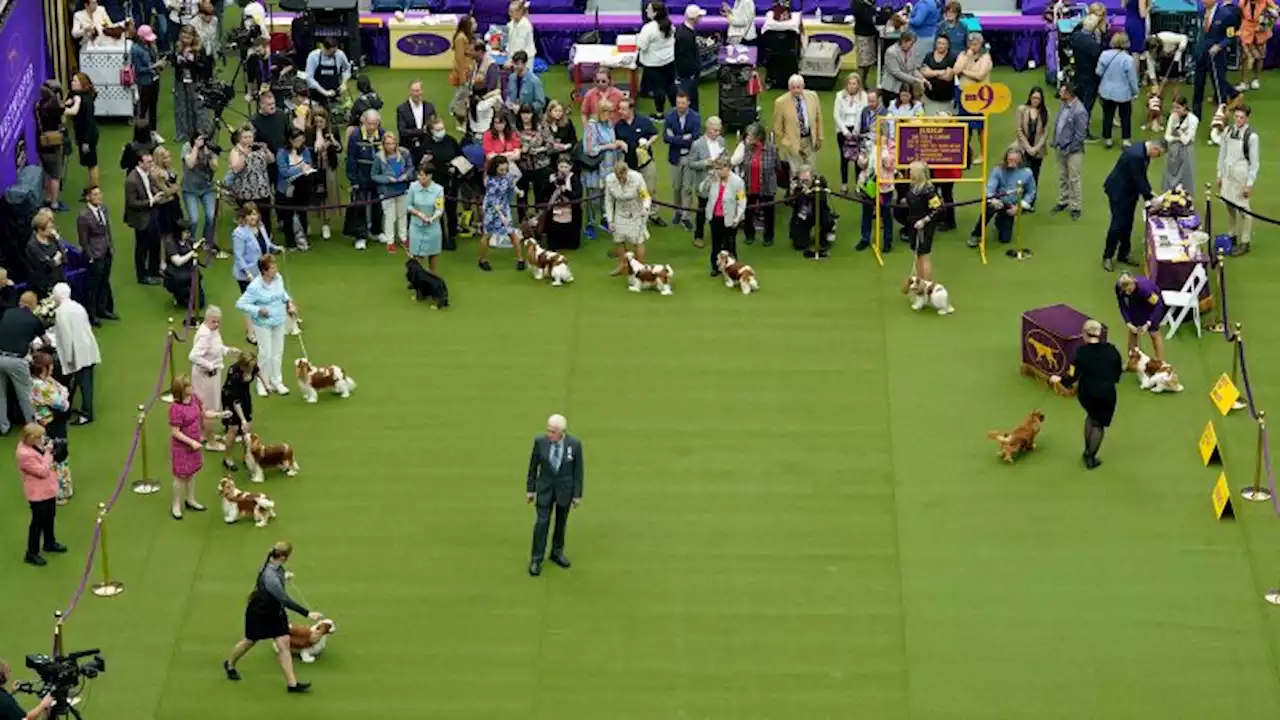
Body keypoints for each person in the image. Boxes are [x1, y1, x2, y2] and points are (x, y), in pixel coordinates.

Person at [224, 541, 324, 692]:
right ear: (283, 557)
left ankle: (292, 684)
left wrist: (284, 576)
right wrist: (308, 613)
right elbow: (284, 599)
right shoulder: (270, 576)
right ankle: (230, 664)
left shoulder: (272, 564)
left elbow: (279, 576)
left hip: (275, 613)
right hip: (259, 614)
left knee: (284, 644)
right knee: (249, 641)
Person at [1050, 320, 1123, 470]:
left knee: (1091, 416)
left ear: (1084, 334)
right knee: (1098, 424)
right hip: (1106, 394)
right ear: (1100, 334)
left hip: (1087, 394)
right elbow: (1117, 373)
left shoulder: (1080, 353)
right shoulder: (1112, 350)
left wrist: (1057, 379)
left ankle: (1086, 449)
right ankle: (1090, 456)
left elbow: (1071, 376)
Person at [526, 414, 584, 576]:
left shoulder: (575, 445)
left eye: (552, 431)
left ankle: (556, 553)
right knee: (541, 523)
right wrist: (530, 490)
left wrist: (577, 495)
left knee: (561, 523)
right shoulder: (540, 443)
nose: (549, 434)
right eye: (548, 430)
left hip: (564, 491)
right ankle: (536, 559)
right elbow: (533, 468)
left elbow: (578, 472)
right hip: (544, 490)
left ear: (561, 432)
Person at [235, 255, 296, 397]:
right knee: (265, 354)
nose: (276, 270)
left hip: (278, 320)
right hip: (262, 324)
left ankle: (277, 381)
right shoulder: (255, 286)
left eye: (275, 266)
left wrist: (289, 303)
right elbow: (240, 303)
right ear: (264, 270)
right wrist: (258, 310)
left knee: (277, 353)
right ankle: (262, 383)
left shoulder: (278, 279)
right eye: (272, 267)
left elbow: (282, 293)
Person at [169, 374, 226, 519]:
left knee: (191, 473)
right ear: (181, 390)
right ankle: (175, 504)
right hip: (182, 446)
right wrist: (191, 442)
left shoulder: (194, 398)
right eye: (188, 386)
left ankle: (191, 499)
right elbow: (175, 432)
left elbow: (204, 413)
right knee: (180, 476)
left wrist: (219, 415)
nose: (191, 387)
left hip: (195, 442)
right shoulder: (175, 408)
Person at [1102, 140, 1163, 271]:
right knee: (1117, 224)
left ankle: (1123, 253)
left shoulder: (1143, 151)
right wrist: (1151, 198)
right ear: (1154, 148)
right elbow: (1139, 178)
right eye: (1158, 154)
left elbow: (1142, 177)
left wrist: (1150, 193)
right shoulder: (1137, 156)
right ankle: (1107, 256)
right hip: (1119, 192)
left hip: (1130, 192)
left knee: (1128, 222)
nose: (1158, 157)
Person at [232, 204, 283, 348]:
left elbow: (266, 244)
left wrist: (276, 248)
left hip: (261, 271)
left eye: (255, 214)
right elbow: (238, 256)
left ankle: (264, 326)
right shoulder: (239, 233)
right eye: (250, 214)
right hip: (246, 274)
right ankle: (250, 334)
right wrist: (247, 273)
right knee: (250, 304)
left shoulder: (261, 227)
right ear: (244, 216)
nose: (253, 217)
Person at [50, 284, 100, 426]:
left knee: (82, 384)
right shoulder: (77, 306)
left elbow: (66, 337)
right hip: (87, 348)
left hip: (76, 352)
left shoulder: (61, 312)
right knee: (85, 383)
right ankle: (81, 410)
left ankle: (86, 414)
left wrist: (69, 358)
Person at [189, 306, 237, 452]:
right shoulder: (204, 335)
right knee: (209, 409)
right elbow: (193, 356)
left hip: (212, 375)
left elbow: (217, 347)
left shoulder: (213, 331)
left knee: (206, 407)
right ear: (206, 319)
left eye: (218, 322)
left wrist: (228, 350)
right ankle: (211, 442)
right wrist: (210, 365)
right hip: (206, 377)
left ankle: (204, 433)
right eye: (213, 321)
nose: (216, 325)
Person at [18, 423, 65, 566]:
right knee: (37, 523)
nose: (42, 439)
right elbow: (42, 471)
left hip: (48, 489)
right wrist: (49, 453)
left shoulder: (33, 445)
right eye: (39, 437)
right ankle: (31, 553)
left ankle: (49, 543)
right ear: (31, 438)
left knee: (50, 516)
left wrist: (46, 449)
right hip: (37, 494)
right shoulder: (24, 454)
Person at [969, 147, 1035, 248]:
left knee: (1005, 239)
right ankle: (977, 234)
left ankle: (999, 221)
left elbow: (1031, 192)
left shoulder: (1027, 173)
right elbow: (990, 188)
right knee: (989, 209)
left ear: (1020, 160)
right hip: (997, 201)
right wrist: (992, 199)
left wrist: (1019, 207)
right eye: (1009, 160)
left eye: (1014, 160)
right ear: (1005, 159)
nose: (1011, 162)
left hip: (1011, 204)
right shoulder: (998, 170)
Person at [29, 351, 72, 505]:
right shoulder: (41, 386)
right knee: (58, 456)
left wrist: (63, 394)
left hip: (49, 423)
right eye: (50, 366)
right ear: (43, 369)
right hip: (52, 425)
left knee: (54, 454)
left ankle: (58, 489)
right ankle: (60, 492)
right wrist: (63, 395)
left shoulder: (44, 381)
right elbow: (63, 403)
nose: (53, 368)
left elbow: (63, 390)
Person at [1217, 104, 1259, 256]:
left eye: (1242, 117)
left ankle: (1245, 242)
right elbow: (1222, 154)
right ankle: (1231, 235)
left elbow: (1255, 163)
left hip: (1241, 175)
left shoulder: (1251, 136)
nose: (1238, 120)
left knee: (1244, 210)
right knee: (1229, 205)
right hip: (1228, 174)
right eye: (1236, 117)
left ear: (1247, 118)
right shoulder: (1228, 131)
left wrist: (1249, 184)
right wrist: (1219, 174)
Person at [614, 98, 663, 227]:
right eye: (620, 109)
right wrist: (619, 143)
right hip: (629, 165)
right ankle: (636, 215)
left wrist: (648, 143)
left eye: (623, 109)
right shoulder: (618, 126)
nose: (620, 111)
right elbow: (615, 141)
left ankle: (653, 214)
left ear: (631, 109)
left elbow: (655, 134)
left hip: (646, 163)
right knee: (633, 191)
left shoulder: (644, 121)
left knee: (649, 189)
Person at [0, 292, 43, 434]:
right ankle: (32, 426)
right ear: (33, 305)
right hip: (16, 360)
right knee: (26, 394)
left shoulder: (8, 312)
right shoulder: (34, 319)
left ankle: (3, 427)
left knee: (0, 394)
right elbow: (44, 341)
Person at [1191, 0, 1242, 118]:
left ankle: (1221, 115)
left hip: (1216, 57)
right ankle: (1195, 116)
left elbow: (1230, 36)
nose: (1203, 1)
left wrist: (1219, 46)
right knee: (1198, 86)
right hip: (1201, 55)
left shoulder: (1226, 14)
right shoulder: (1201, 12)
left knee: (1219, 87)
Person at [731, 123, 779, 247]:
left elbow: (777, 166)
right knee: (748, 212)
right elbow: (738, 163)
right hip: (749, 185)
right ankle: (749, 235)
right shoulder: (745, 148)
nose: (748, 139)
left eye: (751, 136)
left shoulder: (772, 149)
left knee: (769, 212)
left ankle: (768, 237)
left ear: (759, 136)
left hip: (767, 186)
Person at [75, 186, 117, 326]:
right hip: (95, 255)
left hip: (106, 252)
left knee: (105, 282)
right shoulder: (83, 216)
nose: (99, 196)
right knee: (93, 286)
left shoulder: (104, 209)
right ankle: (91, 315)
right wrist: (90, 256)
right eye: (95, 194)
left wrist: (111, 246)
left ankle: (103, 309)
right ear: (88, 197)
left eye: (100, 193)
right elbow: (83, 239)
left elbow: (107, 229)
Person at [345, 109, 386, 250]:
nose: (372, 127)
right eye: (369, 124)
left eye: (375, 124)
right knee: (360, 206)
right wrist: (353, 179)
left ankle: (376, 231)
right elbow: (351, 159)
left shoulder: (382, 134)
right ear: (364, 122)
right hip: (361, 175)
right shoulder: (355, 136)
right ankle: (361, 236)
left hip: (378, 177)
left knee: (378, 204)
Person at [582, 100, 623, 239]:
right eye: (608, 112)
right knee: (593, 197)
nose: (611, 115)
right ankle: (590, 224)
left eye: (612, 111)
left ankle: (605, 219)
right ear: (601, 111)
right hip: (595, 168)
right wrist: (608, 146)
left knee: (606, 195)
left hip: (609, 166)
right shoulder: (591, 126)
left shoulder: (609, 125)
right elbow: (589, 150)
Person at [686, 116, 726, 249]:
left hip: (719, 181)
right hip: (704, 183)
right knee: (702, 210)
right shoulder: (697, 144)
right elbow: (691, 163)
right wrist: (706, 163)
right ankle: (698, 236)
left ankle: (718, 236)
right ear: (708, 129)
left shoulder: (722, 141)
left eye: (719, 130)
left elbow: (726, 156)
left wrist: (722, 162)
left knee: (719, 210)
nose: (717, 133)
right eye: (715, 130)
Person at [604, 161, 652, 275]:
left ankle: (640, 269)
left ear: (627, 172)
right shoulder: (609, 180)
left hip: (637, 211)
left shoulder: (637, 178)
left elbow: (645, 196)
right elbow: (609, 201)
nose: (621, 180)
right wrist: (610, 220)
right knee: (618, 239)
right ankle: (623, 266)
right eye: (618, 177)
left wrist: (645, 208)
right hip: (620, 213)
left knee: (638, 240)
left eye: (623, 176)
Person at [227, 125, 276, 237]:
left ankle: (266, 242)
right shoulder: (236, 151)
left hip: (262, 190)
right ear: (239, 139)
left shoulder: (259, 149)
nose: (249, 139)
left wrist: (266, 150)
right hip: (246, 193)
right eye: (245, 137)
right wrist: (244, 154)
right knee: (248, 220)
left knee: (265, 219)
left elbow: (271, 160)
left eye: (250, 137)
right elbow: (236, 168)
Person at [420, 118, 461, 248]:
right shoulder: (426, 144)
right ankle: (441, 236)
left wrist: (455, 167)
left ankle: (452, 235)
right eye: (437, 130)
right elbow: (421, 163)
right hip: (436, 183)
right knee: (438, 211)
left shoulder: (451, 141)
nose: (441, 132)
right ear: (431, 131)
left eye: (442, 129)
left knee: (451, 210)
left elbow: (459, 156)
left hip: (451, 181)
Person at [478, 156, 524, 271]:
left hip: (504, 208)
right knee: (487, 235)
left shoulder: (507, 176)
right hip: (491, 210)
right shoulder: (490, 180)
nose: (504, 172)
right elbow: (492, 199)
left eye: (505, 169)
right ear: (495, 168)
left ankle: (520, 259)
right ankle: (482, 260)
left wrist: (518, 192)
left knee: (512, 233)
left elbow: (512, 185)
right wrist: (499, 212)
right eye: (501, 170)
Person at [1050, 83, 1088, 221]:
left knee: (1073, 178)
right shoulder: (1063, 105)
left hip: (1074, 151)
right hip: (1061, 147)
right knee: (1062, 176)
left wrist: (1069, 148)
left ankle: (1076, 206)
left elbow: (1080, 135)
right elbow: (1058, 124)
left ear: (1069, 94)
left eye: (1062, 92)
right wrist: (1055, 141)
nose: (1059, 93)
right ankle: (1063, 201)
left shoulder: (1080, 111)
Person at [701, 157, 746, 275]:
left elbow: (741, 201)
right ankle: (715, 267)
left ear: (728, 168)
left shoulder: (738, 182)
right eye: (716, 169)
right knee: (715, 245)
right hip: (715, 217)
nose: (717, 171)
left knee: (730, 245)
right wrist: (708, 178)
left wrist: (738, 217)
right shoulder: (714, 179)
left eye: (720, 169)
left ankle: (733, 269)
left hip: (730, 219)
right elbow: (701, 191)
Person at [663, 92, 701, 230]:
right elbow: (666, 138)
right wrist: (684, 138)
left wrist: (676, 139)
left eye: (683, 103)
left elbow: (695, 137)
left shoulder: (695, 117)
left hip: (690, 157)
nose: (680, 106)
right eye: (678, 103)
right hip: (675, 158)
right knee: (676, 187)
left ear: (688, 103)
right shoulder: (670, 116)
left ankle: (686, 216)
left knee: (687, 188)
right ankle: (677, 211)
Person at [773, 75, 823, 173]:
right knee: (795, 172)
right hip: (792, 143)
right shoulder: (780, 102)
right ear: (789, 88)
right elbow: (777, 127)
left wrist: (819, 137)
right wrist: (787, 142)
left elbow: (818, 118)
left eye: (798, 87)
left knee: (810, 171)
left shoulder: (813, 96)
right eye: (793, 88)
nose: (796, 90)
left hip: (809, 140)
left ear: (803, 86)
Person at [1097, 33, 1140, 149]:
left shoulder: (1104, 55)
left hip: (1106, 91)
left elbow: (1099, 72)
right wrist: (1135, 91)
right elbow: (1132, 78)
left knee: (1108, 115)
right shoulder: (1128, 59)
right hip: (1123, 93)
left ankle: (1108, 139)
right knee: (1125, 116)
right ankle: (1125, 140)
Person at [306, 108, 343, 241]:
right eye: (317, 121)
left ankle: (326, 224)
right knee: (312, 194)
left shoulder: (333, 129)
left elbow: (340, 148)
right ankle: (308, 223)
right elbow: (305, 148)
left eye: (321, 121)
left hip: (329, 166)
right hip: (313, 167)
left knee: (328, 194)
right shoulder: (309, 132)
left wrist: (332, 141)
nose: (319, 124)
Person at [276, 129, 315, 251]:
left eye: (302, 139)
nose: (300, 142)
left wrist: (305, 169)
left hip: (302, 187)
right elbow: (284, 172)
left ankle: (302, 240)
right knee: (288, 215)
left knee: (302, 213)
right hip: (286, 188)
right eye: (297, 140)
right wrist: (300, 169)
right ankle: (291, 242)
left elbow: (308, 164)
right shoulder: (282, 153)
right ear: (290, 140)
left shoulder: (306, 151)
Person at [220, 351, 259, 470]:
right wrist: (242, 420)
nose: (252, 368)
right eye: (250, 367)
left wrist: (266, 384)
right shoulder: (235, 376)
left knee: (247, 429)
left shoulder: (252, 367)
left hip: (244, 395)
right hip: (231, 399)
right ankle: (227, 458)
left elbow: (258, 371)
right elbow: (236, 402)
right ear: (243, 366)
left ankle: (247, 456)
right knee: (234, 428)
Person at [903, 160, 943, 280]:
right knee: (916, 255)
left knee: (924, 256)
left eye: (911, 171)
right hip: (913, 224)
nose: (909, 173)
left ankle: (927, 285)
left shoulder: (929, 190)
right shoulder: (914, 186)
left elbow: (938, 208)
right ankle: (920, 282)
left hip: (924, 226)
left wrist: (924, 221)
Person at [637, 1, 677, 118]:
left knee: (658, 89)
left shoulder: (649, 28)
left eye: (648, 9)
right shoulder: (670, 25)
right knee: (670, 85)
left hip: (653, 64)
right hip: (669, 61)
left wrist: (637, 39)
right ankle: (675, 109)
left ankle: (660, 114)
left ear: (655, 13)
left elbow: (642, 46)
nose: (646, 11)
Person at [1115, 272, 1167, 360]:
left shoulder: (1145, 289)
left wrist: (1148, 323)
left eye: (1129, 290)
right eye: (1125, 291)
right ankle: (1132, 359)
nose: (1127, 293)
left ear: (1133, 283)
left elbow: (1157, 306)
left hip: (1152, 307)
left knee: (1154, 333)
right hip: (1135, 304)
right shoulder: (1119, 288)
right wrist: (1128, 322)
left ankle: (1160, 362)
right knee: (1133, 330)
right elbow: (1122, 305)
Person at [172, 25, 210, 143]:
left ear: (193, 38)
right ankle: (183, 133)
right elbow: (173, 61)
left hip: (196, 81)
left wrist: (191, 61)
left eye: (188, 38)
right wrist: (177, 61)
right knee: (182, 107)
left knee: (198, 107)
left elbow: (204, 68)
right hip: (181, 80)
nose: (185, 40)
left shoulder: (199, 49)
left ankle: (201, 133)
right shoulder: (178, 47)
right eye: (183, 37)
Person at [515, 104, 553, 220]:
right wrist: (521, 150)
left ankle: (540, 221)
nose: (526, 116)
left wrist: (539, 150)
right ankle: (523, 221)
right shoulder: (515, 128)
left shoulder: (541, 127)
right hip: (522, 166)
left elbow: (550, 144)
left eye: (528, 113)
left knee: (541, 195)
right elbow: (511, 145)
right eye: (523, 113)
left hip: (540, 165)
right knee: (521, 195)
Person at [64, 73, 100, 189]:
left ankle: (94, 188)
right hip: (81, 134)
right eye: (72, 80)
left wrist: (86, 141)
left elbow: (89, 122)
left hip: (88, 135)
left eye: (75, 81)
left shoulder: (86, 100)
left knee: (92, 164)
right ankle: (90, 187)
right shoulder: (77, 95)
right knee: (88, 163)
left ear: (82, 84)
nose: (72, 83)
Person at [407, 162, 445, 272]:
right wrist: (419, 214)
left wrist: (432, 218)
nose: (420, 178)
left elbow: (439, 209)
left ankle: (432, 278)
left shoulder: (438, 190)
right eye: (419, 175)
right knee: (417, 255)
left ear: (430, 176)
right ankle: (417, 279)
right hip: (416, 226)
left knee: (433, 255)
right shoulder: (413, 187)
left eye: (423, 175)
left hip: (432, 227)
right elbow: (409, 206)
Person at [835, 74, 870, 192]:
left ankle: (858, 183)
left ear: (858, 85)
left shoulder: (864, 96)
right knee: (843, 158)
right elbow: (836, 115)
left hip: (858, 130)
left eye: (854, 83)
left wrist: (855, 130)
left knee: (858, 158)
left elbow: (863, 114)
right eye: (849, 83)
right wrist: (845, 131)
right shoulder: (839, 95)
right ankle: (844, 184)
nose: (851, 86)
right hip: (843, 130)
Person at [35, 82, 67, 212]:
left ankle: (48, 198)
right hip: (52, 146)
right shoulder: (55, 108)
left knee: (48, 173)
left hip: (41, 144)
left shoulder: (39, 105)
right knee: (55, 175)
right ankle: (54, 203)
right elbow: (65, 114)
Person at [1071, 15, 1104, 139]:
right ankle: (1083, 131)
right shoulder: (1092, 44)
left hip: (1079, 73)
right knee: (1087, 105)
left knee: (1078, 102)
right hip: (1090, 77)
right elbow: (1098, 60)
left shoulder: (1076, 37)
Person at [163, 220, 206, 311]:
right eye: (186, 232)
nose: (188, 234)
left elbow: (193, 246)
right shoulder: (170, 242)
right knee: (189, 303)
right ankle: (178, 295)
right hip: (177, 274)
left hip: (190, 271)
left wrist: (200, 245)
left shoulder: (188, 240)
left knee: (200, 302)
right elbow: (178, 262)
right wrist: (193, 252)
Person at [1015, 87, 1050, 198]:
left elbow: (1045, 133)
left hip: (1037, 151)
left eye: (1038, 98)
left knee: (1034, 176)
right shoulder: (1022, 109)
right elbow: (1019, 130)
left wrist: (1035, 148)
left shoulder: (1045, 112)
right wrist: (1028, 147)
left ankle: (1030, 200)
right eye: (1033, 98)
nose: (1035, 100)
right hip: (1023, 149)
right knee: (1022, 175)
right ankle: (1020, 199)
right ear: (1030, 97)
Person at [545, 155, 583, 251]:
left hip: (570, 211)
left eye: (565, 167)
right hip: (555, 210)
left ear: (570, 167)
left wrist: (566, 191)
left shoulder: (574, 178)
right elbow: (545, 194)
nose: (563, 169)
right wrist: (550, 184)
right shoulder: (552, 177)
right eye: (561, 167)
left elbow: (577, 196)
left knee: (572, 245)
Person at [25, 209, 66, 299]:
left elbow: (64, 255)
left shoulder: (52, 237)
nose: (52, 230)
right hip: (43, 284)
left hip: (58, 278)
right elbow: (47, 265)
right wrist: (55, 259)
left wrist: (58, 239)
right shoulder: (33, 246)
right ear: (40, 230)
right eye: (49, 228)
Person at [130, 25, 163, 136]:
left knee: (154, 106)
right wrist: (153, 66)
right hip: (144, 82)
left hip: (154, 79)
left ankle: (153, 131)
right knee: (144, 108)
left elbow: (154, 58)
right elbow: (138, 69)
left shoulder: (150, 46)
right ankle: (141, 132)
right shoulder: (136, 49)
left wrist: (159, 65)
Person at [396, 80, 436, 168]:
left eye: (417, 90)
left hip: (426, 149)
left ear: (422, 91)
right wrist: (422, 131)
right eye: (413, 91)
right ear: (409, 92)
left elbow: (433, 127)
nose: (416, 94)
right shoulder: (402, 109)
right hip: (408, 150)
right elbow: (402, 131)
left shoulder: (430, 107)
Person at [878, 31, 926, 104]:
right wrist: (916, 80)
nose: (911, 46)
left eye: (913, 44)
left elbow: (912, 69)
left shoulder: (911, 50)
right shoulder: (891, 52)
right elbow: (896, 73)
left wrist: (922, 78)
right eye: (911, 44)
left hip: (905, 90)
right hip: (891, 89)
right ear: (903, 41)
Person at [1163, 96, 1198, 192]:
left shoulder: (1193, 119)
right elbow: (1167, 136)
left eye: (1178, 107)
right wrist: (1178, 138)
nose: (1175, 110)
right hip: (1173, 151)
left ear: (1184, 107)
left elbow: (1186, 141)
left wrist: (1178, 128)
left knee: (1186, 175)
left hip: (1186, 151)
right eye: (1174, 107)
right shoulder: (1172, 117)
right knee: (1170, 174)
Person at [674, 6, 704, 109]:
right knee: (689, 100)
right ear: (693, 18)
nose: (701, 18)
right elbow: (684, 58)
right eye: (699, 16)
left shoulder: (687, 31)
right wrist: (692, 73)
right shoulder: (684, 36)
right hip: (688, 75)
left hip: (689, 74)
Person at [1238, 0, 1271, 90]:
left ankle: (1256, 79)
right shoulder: (1243, 2)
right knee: (1245, 56)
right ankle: (1244, 82)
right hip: (1246, 30)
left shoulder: (1266, 2)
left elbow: (1274, 13)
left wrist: (1264, 24)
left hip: (1261, 31)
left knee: (1260, 56)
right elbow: (1240, 15)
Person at [920, 36, 956, 117]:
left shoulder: (952, 57)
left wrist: (931, 72)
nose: (940, 45)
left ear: (948, 45)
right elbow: (924, 73)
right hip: (929, 97)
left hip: (947, 98)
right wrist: (940, 72)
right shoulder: (929, 56)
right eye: (939, 43)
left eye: (943, 44)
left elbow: (948, 77)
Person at [852, 0, 878, 86]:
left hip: (870, 35)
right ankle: (858, 86)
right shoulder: (858, 3)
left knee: (869, 63)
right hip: (862, 36)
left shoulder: (867, 3)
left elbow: (872, 11)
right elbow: (866, 19)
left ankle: (863, 83)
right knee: (862, 63)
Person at [506, 0, 537, 65]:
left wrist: (511, 60)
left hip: (525, 57)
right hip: (514, 55)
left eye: (512, 12)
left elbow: (519, 44)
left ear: (519, 12)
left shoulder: (524, 25)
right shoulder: (510, 24)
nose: (509, 13)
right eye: (509, 11)